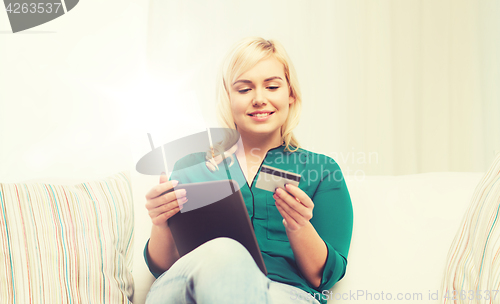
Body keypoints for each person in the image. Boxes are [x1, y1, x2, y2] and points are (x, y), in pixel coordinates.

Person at [143, 37, 353, 304]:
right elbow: (163, 266)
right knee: (224, 253)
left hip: (282, 295)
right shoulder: (191, 166)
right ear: (228, 98)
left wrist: (299, 227)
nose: (259, 99)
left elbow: (322, 277)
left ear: (290, 94)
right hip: (189, 290)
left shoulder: (321, 171)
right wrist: (160, 222)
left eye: (272, 86)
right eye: (244, 90)